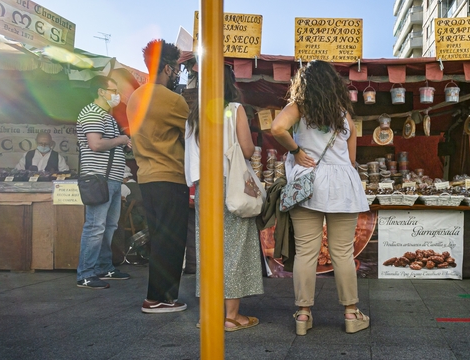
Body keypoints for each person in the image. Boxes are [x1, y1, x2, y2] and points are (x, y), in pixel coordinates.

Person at [270, 60, 370, 335]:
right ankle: (351, 313)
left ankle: (303, 314)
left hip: (307, 182)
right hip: (341, 186)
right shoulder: (344, 115)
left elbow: (277, 128)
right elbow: (351, 158)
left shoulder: (298, 108)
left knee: (306, 251)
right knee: (342, 252)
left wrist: (296, 150)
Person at [186, 65, 263, 330]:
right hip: (230, 183)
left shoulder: (194, 115)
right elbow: (247, 149)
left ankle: (207, 315)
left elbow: (191, 159)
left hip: (203, 185)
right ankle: (232, 316)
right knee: (235, 246)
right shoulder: (234, 109)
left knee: (207, 248)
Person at [127, 40, 191, 314]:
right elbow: (193, 134)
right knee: (172, 240)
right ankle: (160, 297)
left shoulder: (135, 97)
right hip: (170, 175)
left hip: (147, 176)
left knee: (159, 237)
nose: (177, 73)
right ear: (167, 67)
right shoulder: (172, 100)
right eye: (176, 68)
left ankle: (158, 295)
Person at [75, 76, 131, 289]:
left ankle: (103, 267)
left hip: (111, 179)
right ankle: (86, 274)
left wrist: (123, 145)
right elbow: (95, 144)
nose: (116, 94)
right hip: (99, 178)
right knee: (95, 226)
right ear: (100, 91)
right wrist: (122, 140)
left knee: (108, 226)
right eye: (113, 89)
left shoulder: (106, 116)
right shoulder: (92, 113)